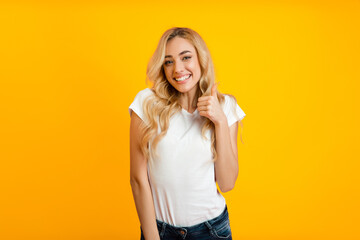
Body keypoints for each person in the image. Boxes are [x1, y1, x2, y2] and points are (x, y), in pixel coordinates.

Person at [129, 27, 246, 240]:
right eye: (169, 61)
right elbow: (138, 179)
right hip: (160, 231)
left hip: (212, 231)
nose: (178, 69)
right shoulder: (146, 103)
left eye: (186, 58)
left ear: (201, 59)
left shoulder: (225, 106)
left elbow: (228, 183)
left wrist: (219, 121)